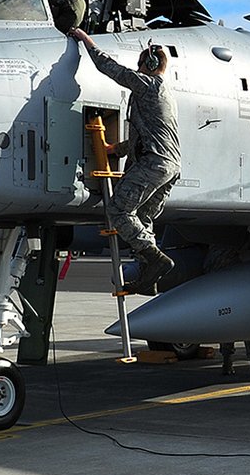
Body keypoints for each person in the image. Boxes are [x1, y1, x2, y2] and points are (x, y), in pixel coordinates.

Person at [70, 29, 178, 294]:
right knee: (143, 218)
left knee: (118, 211)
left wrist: (87, 41)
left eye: (140, 66)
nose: (137, 70)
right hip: (169, 166)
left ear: (149, 65)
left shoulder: (149, 85)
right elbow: (144, 135)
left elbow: (112, 69)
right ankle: (148, 276)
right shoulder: (164, 95)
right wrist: (114, 150)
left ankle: (154, 259)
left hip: (153, 163)